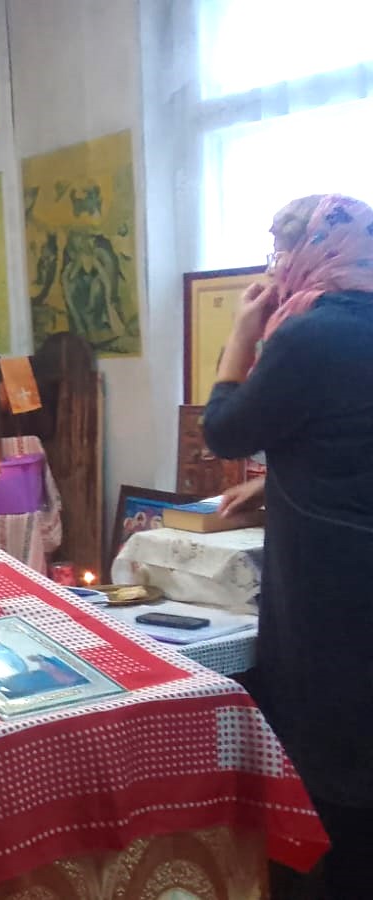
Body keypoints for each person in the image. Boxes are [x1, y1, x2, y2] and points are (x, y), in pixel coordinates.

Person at [203, 194, 373, 898]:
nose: (275, 266)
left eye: (279, 250)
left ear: (309, 250)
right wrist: (276, 485)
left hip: (332, 583)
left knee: (329, 756)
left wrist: (241, 335)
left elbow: (225, 431)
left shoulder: (309, 337)